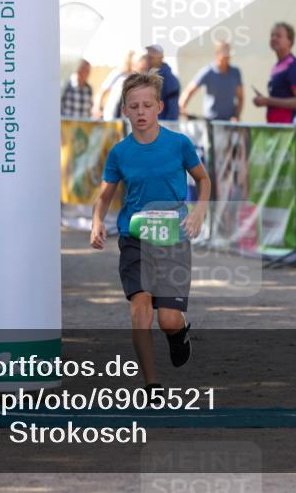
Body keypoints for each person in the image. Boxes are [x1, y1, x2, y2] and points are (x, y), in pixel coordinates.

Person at [90, 70, 210, 392]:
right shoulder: (120, 153)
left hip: (173, 238)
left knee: (167, 319)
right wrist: (97, 221)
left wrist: (198, 212)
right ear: (125, 110)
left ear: (159, 106)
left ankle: (179, 331)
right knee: (140, 306)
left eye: (147, 105)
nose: (141, 112)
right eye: (134, 106)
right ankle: (152, 383)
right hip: (135, 237)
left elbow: (203, 179)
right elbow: (104, 197)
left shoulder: (179, 144)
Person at [253, 22, 296, 123]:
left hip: (288, 128)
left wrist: (268, 101)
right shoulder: (277, 66)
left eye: (278, 36)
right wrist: (265, 100)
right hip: (275, 126)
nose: (274, 38)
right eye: (272, 35)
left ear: (289, 41)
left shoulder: (293, 66)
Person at [179, 41, 243, 121]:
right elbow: (189, 90)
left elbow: (240, 97)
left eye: (229, 52)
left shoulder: (235, 72)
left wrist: (236, 116)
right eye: (225, 52)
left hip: (229, 123)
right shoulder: (208, 71)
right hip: (210, 122)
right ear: (217, 53)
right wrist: (181, 107)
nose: (228, 56)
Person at [94, 50, 135, 121]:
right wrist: (97, 108)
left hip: (126, 118)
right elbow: (102, 91)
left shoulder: (136, 77)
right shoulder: (118, 73)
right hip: (111, 116)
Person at [146, 44, 180, 121]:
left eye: (152, 57)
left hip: (161, 128)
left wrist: (165, 130)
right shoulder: (145, 78)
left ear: (161, 58)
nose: (148, 59)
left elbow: (173, 111)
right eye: (148, 57)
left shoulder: (170, 79)